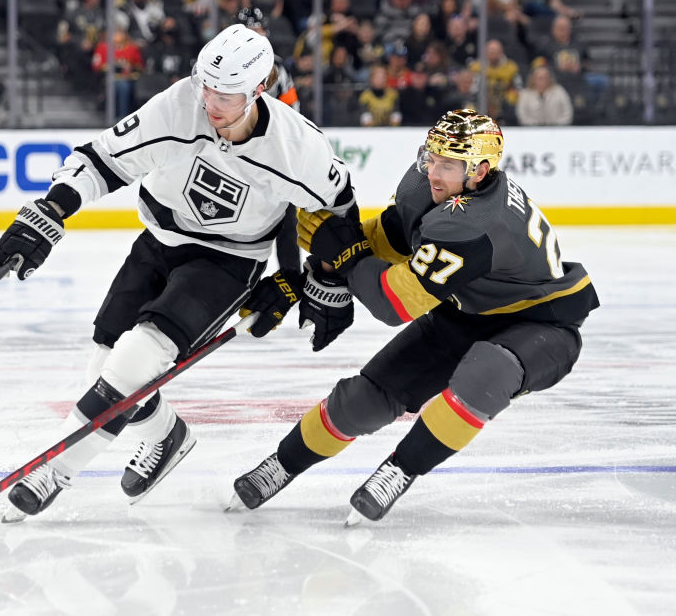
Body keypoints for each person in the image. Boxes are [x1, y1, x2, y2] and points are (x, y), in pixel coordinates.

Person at [0, 24, 359, 519]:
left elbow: (339, 211)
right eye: (205, 83)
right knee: (103, 363)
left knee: (139, 358)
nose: (209, 100)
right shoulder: (181, 102)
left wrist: (310, 278)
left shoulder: (298, 146)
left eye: (225, 93)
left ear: (258, 89)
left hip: (227, 261)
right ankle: (167, 435)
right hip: (159, 241)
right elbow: (102, 160)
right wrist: (51, 210)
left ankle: (52, 471)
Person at [231, 109, 599, 523]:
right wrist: (328, 263)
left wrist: (348, 259)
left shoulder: (476, 223)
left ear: (479, 171)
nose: (435, 173)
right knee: (362, 400)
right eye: (432, 158)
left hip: (541, 326)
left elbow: (394, 304)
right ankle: (281, 465)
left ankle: (400, 469)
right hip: (466, 312)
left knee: (487, 374)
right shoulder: (435, 188)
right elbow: (390, 238)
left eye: (449, 164)